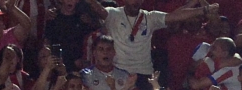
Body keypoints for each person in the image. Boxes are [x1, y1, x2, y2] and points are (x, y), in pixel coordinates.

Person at [86, 0, 217, 79]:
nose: (135, 2)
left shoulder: (150, 17)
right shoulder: (114, 14)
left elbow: (175, 17)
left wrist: (203, 10)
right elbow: (99, 9)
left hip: (144, 74)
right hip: (118, 73)